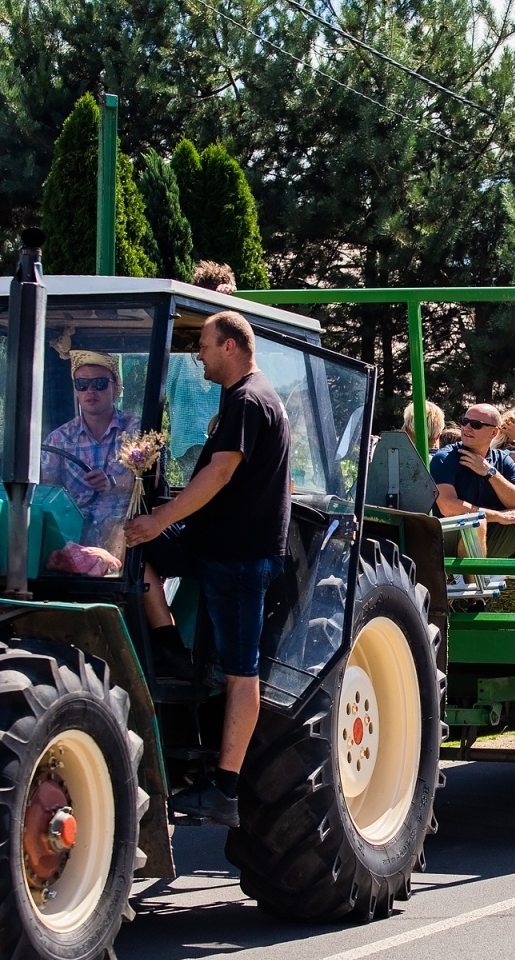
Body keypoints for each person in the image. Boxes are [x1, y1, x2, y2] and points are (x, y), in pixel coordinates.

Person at [125, 311, 291, 827]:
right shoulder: (244, 400)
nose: (197, 354)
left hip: (240, 560)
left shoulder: (248, 399)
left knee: (243, 673)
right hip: (211, 548)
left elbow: (221, 472)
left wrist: (160, 519)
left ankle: (224, 788)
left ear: (230, 347)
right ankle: (169, 649)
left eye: (203, 345)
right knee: (137, 553)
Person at [431, 404, 515, 613]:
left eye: (476, 424)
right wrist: (497, 516)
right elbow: (448, 506)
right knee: (477, 522)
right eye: (465, 421)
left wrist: (489, 472)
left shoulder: (502, 461)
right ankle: (476, 602)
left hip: (488, 537)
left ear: (494, 432)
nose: (467, 427)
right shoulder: (444, 458)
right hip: (450, 536)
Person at [41, 350, 138, 553]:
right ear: (76, 390)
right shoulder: (58, 439)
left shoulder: (134, 430)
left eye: (99, 383)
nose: (90, 391)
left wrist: (112, 483)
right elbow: (47, 490)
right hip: (71, 532)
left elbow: (149, 480)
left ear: (115, 386)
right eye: (82, 384)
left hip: (125, 533)